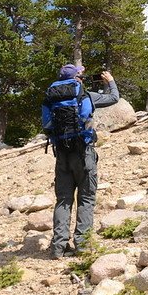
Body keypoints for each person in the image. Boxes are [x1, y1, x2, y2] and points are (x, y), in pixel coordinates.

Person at [47, 64, 119, 259]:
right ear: (77, 78)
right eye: (82, 75)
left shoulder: (50, 98)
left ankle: (58, 247)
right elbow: (114, 98)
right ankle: (83, 246)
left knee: (63, 200)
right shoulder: (85, 96)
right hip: (83, 153)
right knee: (86, 199)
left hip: (62, 153)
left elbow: (46, 125)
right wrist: (110, 81)